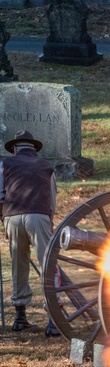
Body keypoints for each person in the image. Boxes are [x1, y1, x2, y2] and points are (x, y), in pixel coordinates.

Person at [0, 130, 59, 336]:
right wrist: (48, 220)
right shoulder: (46, 166)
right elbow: (52, 198)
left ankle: (20, 317)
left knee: (18, 265)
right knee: (48, 264)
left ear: (15, 148)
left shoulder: (5, 164)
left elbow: (1, 196)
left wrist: (5, 221)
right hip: (39, 215)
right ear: (34, 148)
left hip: (13, 217)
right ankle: (53, 320)